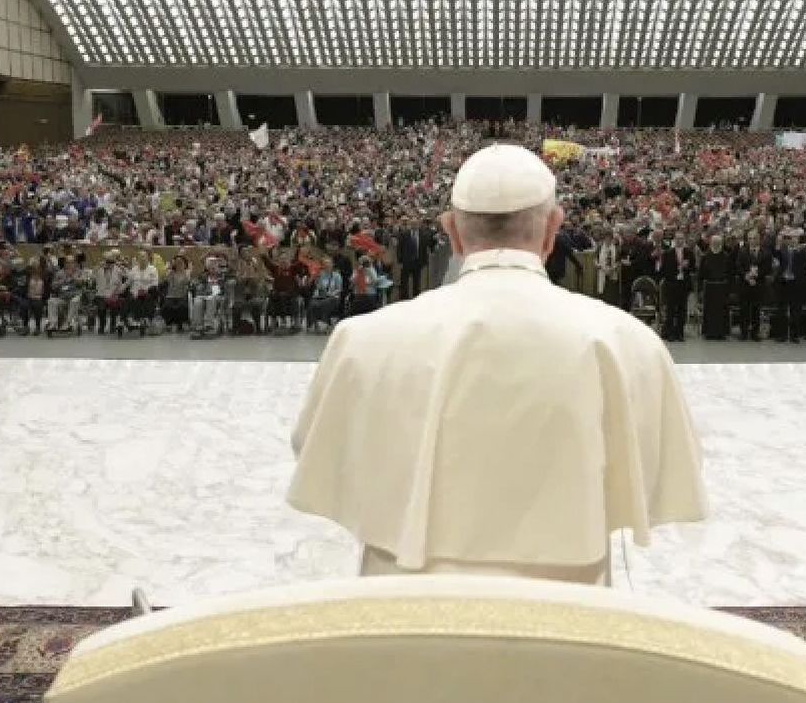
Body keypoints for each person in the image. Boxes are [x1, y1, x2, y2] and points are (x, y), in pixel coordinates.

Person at [289, 143, 706, 584]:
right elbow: (667, 465)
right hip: (566, 612)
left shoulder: (361, 340)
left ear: (452, 232)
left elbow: (315, 445)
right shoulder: (627, 342)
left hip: (407, 605)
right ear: (553, 230)